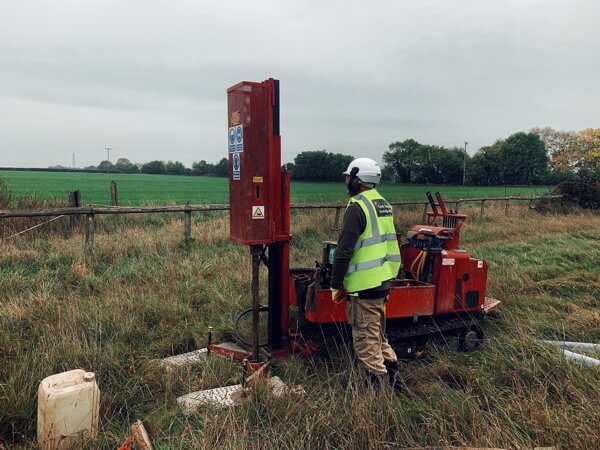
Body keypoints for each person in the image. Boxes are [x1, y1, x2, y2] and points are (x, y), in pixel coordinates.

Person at [330, 157, 402, 391]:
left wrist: (335, 284)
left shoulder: (357, 206)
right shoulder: (382, 203)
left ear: (357, 179)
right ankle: (395, 383)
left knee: (366, 341)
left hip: (364, 286)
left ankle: (379, 392)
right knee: (379, 337)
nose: (346, 181)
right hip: (382, 281)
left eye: (348, 177)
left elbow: (343, 251)